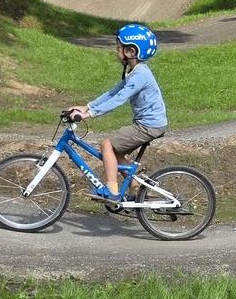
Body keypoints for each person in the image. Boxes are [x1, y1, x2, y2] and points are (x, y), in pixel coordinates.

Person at [66, 23, 168, 199]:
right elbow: (112, 92)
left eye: (118, 47)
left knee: (107, 145)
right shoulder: (135, 72)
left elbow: (119, 99)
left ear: (131, 52)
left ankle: (112, 191)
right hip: (146, 124)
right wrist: (87, 107)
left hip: (148, 126)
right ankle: (135, 184)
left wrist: (90, 114)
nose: (116, 51)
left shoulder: (140, 74)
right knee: (115, 152)